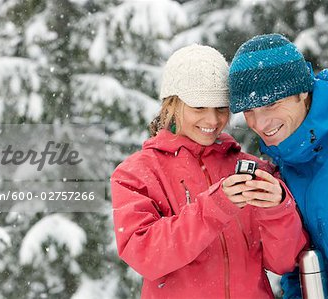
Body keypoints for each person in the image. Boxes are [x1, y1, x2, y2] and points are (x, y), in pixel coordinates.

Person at [111, 44, 307, 299]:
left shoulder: (256, 170)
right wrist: (216, 206)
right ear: (172, 104)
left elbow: (283, 262)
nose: (213, 120)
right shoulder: (136, 174)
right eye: (199, 107)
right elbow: (146, 255)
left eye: (221, 108)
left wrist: (277, 208)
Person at [228, 33, 328, 299]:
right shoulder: (283, 162)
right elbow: (298, 266)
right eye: (249, 111)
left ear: (302, 91)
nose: (260, 123)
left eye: (271, 104)